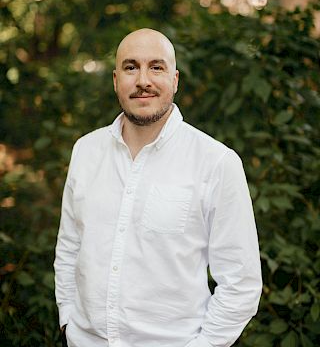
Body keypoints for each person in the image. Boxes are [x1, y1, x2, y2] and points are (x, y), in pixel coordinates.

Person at [54, 28, 262, 347]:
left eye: (156, 67)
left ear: (175, 80)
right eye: (130, 67)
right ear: (115, 80)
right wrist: (68, 320)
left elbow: (241, 282)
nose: (143, 81)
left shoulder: (216, 162)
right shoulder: (86, 150)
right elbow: (69, 247)